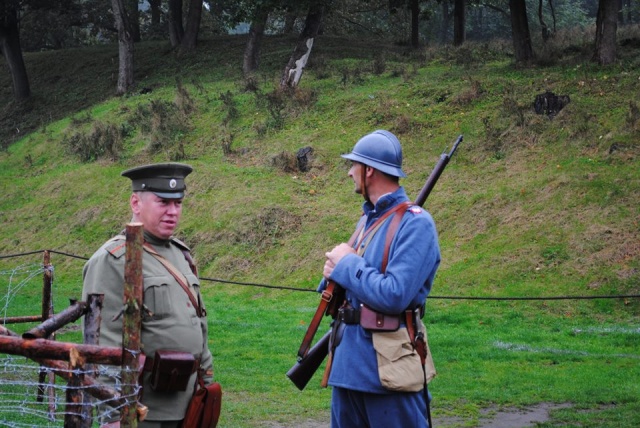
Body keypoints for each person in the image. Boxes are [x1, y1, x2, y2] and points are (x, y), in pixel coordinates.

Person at [319, 130, 441, 428]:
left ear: (369, 170)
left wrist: (346, 265)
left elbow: (394, 294)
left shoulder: (417, 224)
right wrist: (332, 273)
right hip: (348, 366)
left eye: (354, 165)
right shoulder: (368, 221)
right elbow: (347, 289)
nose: (350, 172)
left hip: (388, 370)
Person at [82, 163, 214, 428]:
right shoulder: (114, 259)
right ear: (135, 202)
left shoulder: (180, 254)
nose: (173, 212)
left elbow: (198, 323)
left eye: (178, 204)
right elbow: (103, 341)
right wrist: (112, 414)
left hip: (189, 403)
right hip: (143, 411)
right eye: (163, 202)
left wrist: (207, 384)